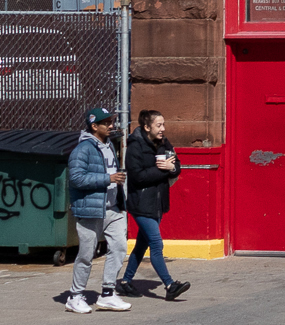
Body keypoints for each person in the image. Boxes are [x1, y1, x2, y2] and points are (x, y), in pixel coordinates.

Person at [64, 107, 131, 314]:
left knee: (119, 248)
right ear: (94, 126)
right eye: (107, 123)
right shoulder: (82, 149)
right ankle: (75, 296)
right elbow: (76, 178)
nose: (111, 126)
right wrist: (108, 179)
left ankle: (108, 294)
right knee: (86, 254)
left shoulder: (108, 144)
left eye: (112, 121)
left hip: (113, 208)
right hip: (91, 209)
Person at [120, 110, 190, 301]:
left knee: (142, 244)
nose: (163, 129)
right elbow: (138, 177)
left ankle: (125, 282)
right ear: (147, 127)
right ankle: (169, 285)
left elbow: (176, 165)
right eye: (159, 125)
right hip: (140, 204)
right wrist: (163, 171)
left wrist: (172, 168)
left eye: (163, 124)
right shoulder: (135, 147)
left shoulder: (164, 143)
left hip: (157, 202)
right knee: (156, 244)